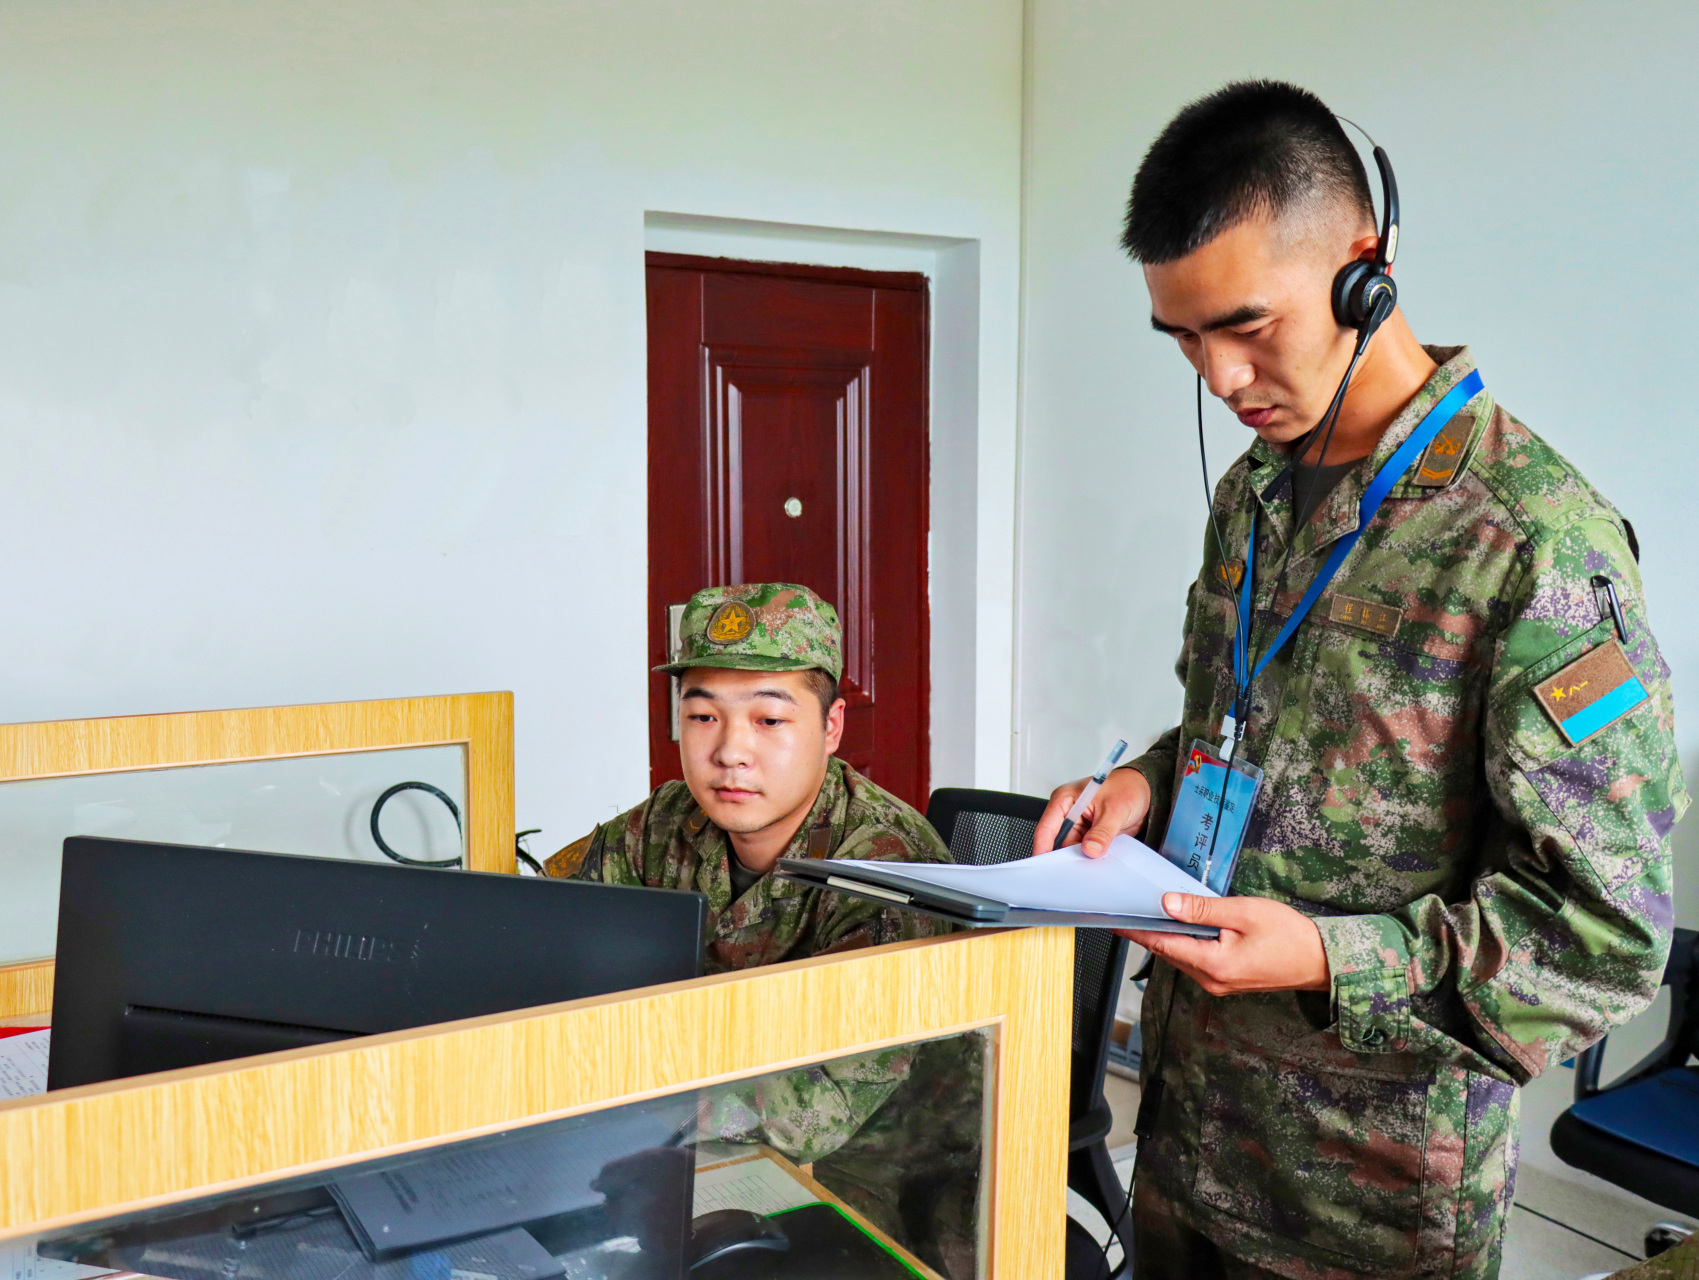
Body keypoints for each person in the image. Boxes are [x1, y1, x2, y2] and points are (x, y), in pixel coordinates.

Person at [1036, 81, 1686, 1280]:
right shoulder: (1255, 492)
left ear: (1362, 269)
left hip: (1368, 1209)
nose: (1219, 378)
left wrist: (1332, 957)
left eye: (1244, 325)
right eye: (1183, 338)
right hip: (1185, 1145)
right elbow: (1258, 726)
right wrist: (1145, 779)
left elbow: (1604, 938)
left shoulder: (1533, 540)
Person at [547, 582, 980, 1275]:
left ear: (831, 727)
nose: (729, 752)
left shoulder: (889, 869)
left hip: (886, 1181)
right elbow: (547, 933)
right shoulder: (666, 821)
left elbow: (823, 1106)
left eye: (770, 721)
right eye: (702, 717)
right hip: (713, 1139)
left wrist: (640, 1099)